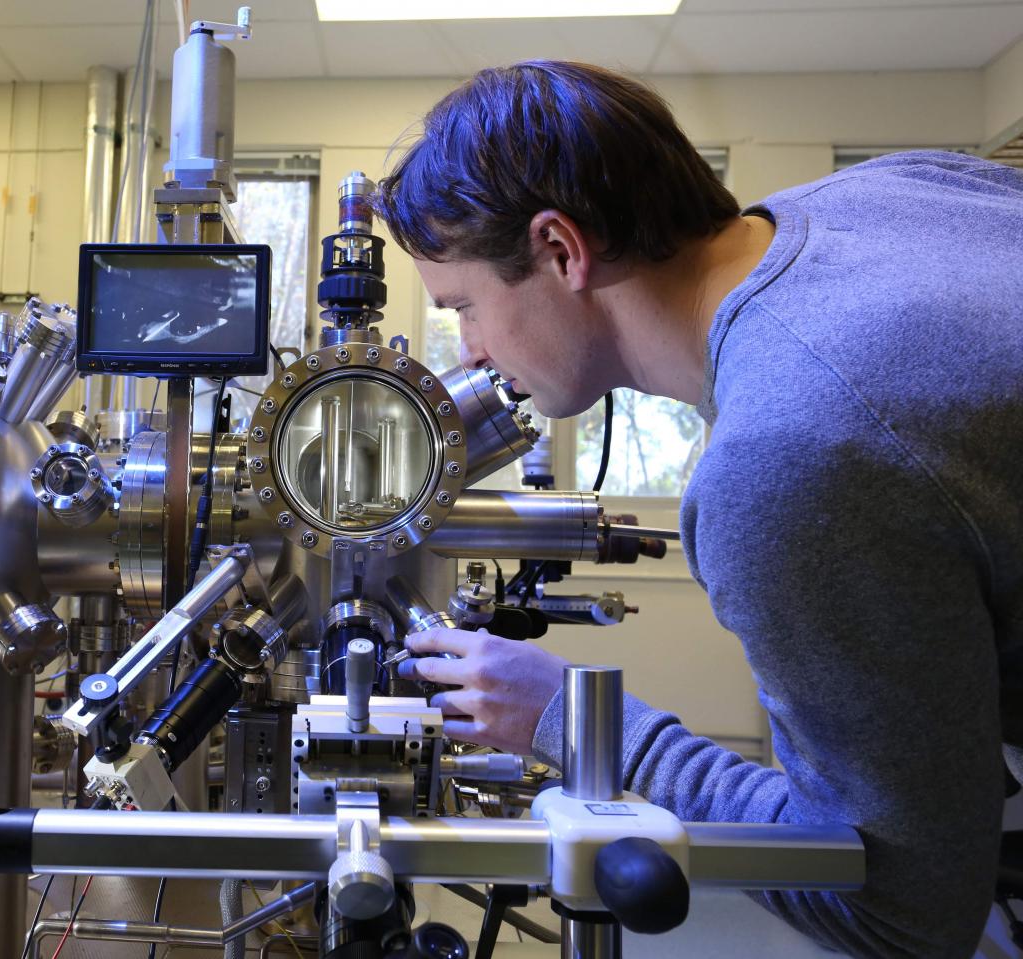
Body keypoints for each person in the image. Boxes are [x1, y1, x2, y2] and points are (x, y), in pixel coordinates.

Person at [372, 60, 1023, 958]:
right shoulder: (893, 190)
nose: (472, 350)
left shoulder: (790, 453)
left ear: (561, 250)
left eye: (465, 307)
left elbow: (903, 908)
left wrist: (573, 719)